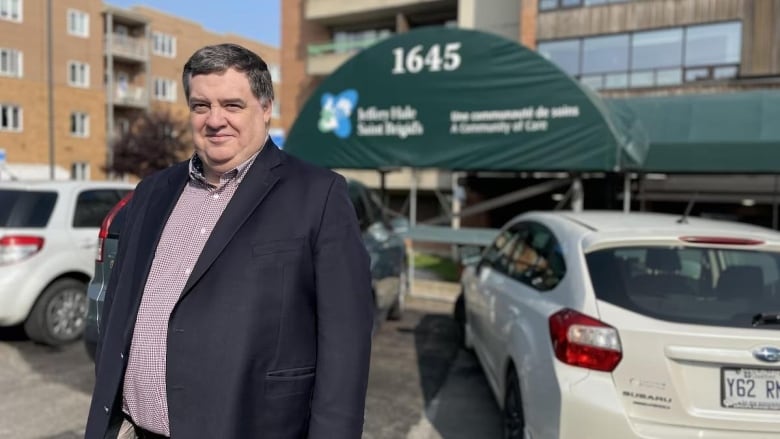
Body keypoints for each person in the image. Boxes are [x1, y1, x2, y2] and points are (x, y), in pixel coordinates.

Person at [85, 43, 374, 439]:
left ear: (266, 107)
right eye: (200, 106)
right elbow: (119, 310)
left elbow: (345, 348)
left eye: (232, 105)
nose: (214, 120)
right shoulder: (152, 191)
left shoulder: (318, 195)